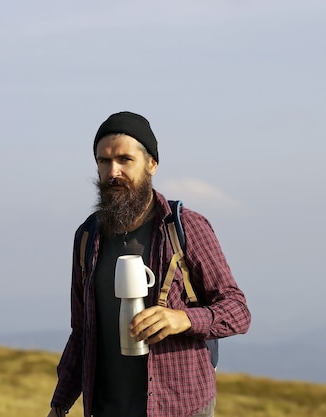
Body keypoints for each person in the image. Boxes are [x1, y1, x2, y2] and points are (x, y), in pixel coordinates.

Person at [47, 111, 251, 417]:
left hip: (179, 408)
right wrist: (59, 405)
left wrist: (182, 320)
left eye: (125, 160)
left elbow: (238, 311)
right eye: (104, 161)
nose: (113, 171)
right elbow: (82, 331)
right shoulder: (87, 237)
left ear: (151, 164)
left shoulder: (184, 227)